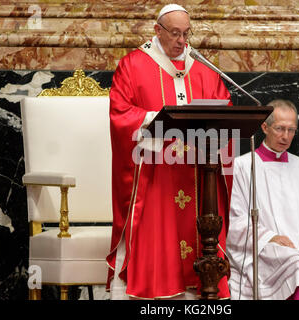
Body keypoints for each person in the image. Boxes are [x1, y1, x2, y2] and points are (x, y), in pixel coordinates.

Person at [105, 4, 232, 299]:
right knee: (159, 240)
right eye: (175, 33)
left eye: (186, 34)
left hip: (198, 174)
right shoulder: (133, 65)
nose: (182, 41)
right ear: (157, 31)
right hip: (155, 174)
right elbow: (120, 114)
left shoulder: (202, 68)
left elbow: (224, 107)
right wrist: (155, 120)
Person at [227, 99, 299, 300]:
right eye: (280, 129)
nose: (285, 136)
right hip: (266, 246)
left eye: (291, 130)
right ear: (264, 126)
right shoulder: (242, 167)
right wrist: (268, 237)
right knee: (295, 263)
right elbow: (235, 219)